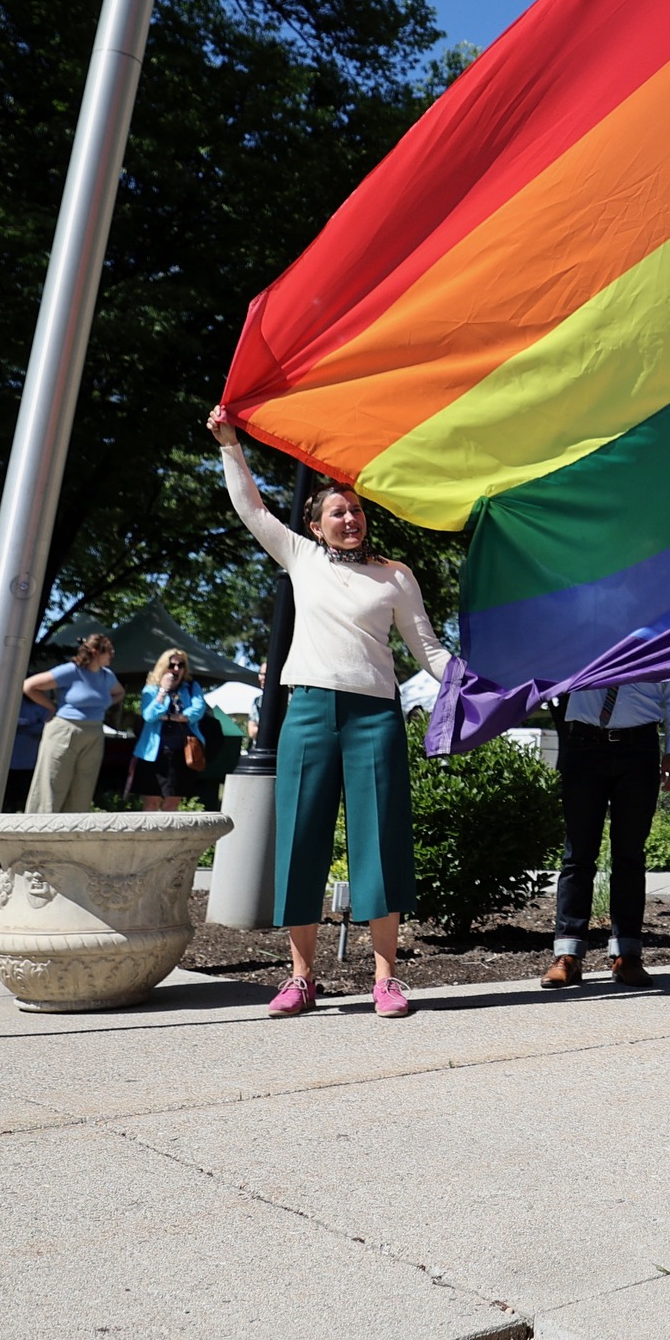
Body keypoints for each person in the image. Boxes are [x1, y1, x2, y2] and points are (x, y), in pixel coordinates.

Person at [212, 405, 448, 1020]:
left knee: (381, 842)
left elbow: (428, 651)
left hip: (374, 716)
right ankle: (301, 978)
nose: (351, 518)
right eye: (337, 512)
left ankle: (387, 980)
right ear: (316, 527)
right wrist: (230, 445)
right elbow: (251, 509)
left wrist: (475, 688)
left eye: (357, 510)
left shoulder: (395, 576)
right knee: (301, 841)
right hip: (309, 711)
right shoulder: (300, 558)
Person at [543, 676, 670, 988]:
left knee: (629, 856)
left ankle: (627, 955)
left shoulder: (660, 634)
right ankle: (568, 955)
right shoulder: (585, 629)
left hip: (639, 750)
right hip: (584, 745)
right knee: (578, 855)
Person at [22, 634, 122, 813]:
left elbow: (119, 693)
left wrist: (102, 706)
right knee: (52, 783)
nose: (112, 655)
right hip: (64, 730)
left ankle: (71, 836)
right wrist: (51, 707)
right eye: (109, 651)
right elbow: (29, 686)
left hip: (94, 733)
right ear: (94, 652)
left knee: (83, 787)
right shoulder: (71, 671)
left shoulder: (107, 676)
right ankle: (38, 832)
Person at [129, 648, 210, 813]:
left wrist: (170, 717)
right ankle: (148, 839)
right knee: (151, 803)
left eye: (181, 665)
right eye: (171, 665)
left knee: (171, 805)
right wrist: (163, 690)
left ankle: (168, 839)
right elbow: (149, 715)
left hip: (182, 753)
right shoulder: (151, 689)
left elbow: (197, 711)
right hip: (153, 754)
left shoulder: (191, 687)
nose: (176, 669)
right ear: (163, 667)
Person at [4, 694, 53, 814]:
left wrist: (24, 726)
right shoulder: (14, 704)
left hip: (30, 761)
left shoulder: (43, 707)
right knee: (8, 795)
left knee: (25, 795)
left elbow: (47, 728)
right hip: (10, 762)